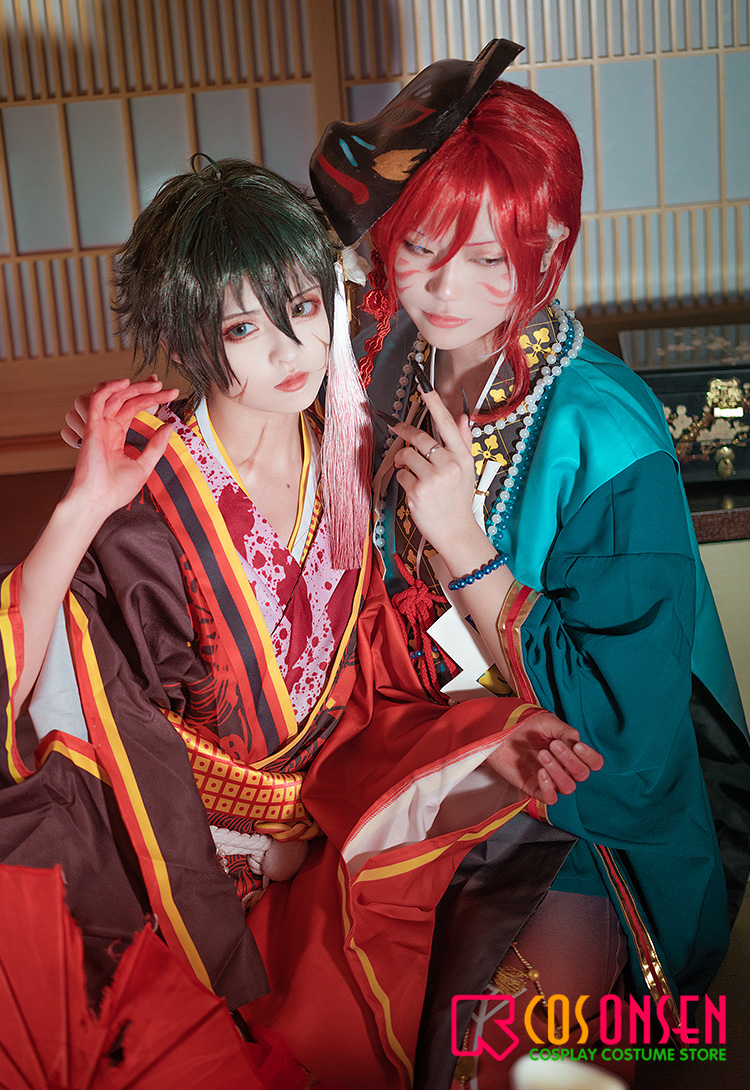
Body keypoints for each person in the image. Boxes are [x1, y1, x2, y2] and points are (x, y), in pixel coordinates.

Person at [1, 157, 602, 1088]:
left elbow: (377, 668)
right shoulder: (144, 503)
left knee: (533, 892)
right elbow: (95, 713)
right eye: (243, 328)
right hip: (183, 861)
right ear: (187, 338)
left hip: (331, 814)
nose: (291, 352)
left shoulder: (349, 452)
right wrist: (80, 511)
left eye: (304, 308)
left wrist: (482, 746)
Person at [309, 38, 750, 1088]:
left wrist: (467, 548)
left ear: (547, 246)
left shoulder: (607, 436)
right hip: (415, 757)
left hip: (575, 809)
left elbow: (622, 740)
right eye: (420, 246)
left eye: (488, 259)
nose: (444, 288)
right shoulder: (383, 360)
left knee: (509, 1063)